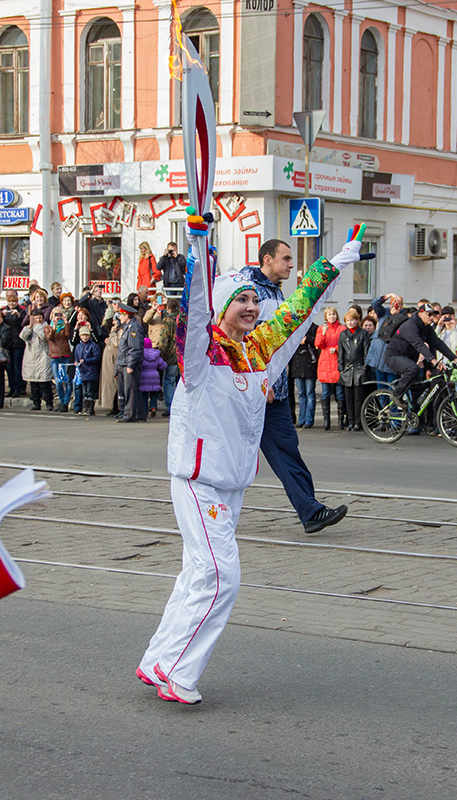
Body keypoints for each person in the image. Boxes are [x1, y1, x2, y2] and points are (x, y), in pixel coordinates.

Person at [137, 214, 362, 705]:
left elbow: (300, 310)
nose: (251, 306)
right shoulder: (200, 354)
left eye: (254, 300)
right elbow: (194, 313)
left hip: (233, 483)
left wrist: (337, 263)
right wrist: (198, 250)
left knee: (199, 574)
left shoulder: (260, 351)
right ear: (220, 307)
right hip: (198, 481)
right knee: (222, 578)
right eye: (240, 299)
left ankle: (158, 660)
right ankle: (178, 674)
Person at [238, 240, 348, 533]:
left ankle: (311, 511)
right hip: (248, 392)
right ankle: (208, 510)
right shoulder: (247, 290)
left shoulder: (275, 291)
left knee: (287, 451)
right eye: (286, 259)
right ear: (267, 259)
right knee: (228, 456)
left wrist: (338, 263)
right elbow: (239, 338)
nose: (290, 264)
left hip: (275, 394)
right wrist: (259, 378)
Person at [385, 304, 457, 408]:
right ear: (420, 313)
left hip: (408, 358)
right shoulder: (409, 325)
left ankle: (414, 417)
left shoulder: (426, 328)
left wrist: (454, 358)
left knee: (420, 387)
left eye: (433, 315)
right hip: (393, 356)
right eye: (429, 314)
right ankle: (396, 394)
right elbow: (419, 344)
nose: (432, 318)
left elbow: (437, 343)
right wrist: (433, 360)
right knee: (413, 368)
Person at [337, 308, 371, 431]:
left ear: (357, 321)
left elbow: (366, 350)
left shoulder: (363, 333)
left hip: (359, 368)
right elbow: (340, 352)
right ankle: (350, 421)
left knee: (358, 398)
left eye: (352, 320)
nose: (350, 322)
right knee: (348, 398)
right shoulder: (343, 334)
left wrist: (365, 366)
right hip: (347, 369)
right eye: (347, 320)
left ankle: (358, 421)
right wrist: (340, 367)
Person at [116, 302, 146, 422]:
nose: (119, 317)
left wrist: (130, 365)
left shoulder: (133, 328)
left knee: (131, 390)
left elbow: (134, 348)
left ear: (126, 315)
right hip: (125, 362)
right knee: (132, 390)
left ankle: (129, 415)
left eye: (121, 315)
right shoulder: (128, 326)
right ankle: (140, 413)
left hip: (129, 364)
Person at [314, 306, 344, 430]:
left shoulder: (342, 329)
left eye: (333, 314)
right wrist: (324, 333)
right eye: (329, 314)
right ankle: (327, 420)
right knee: (325, 393)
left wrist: (336, 349)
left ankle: (341, 420)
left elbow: (344, 344)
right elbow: (318, 344)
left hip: (337, 362)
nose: (332, 316)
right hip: (325, 364)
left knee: (340, 394)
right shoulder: (321, 329)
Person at [20, 308, 55, 411]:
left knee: (44, 383)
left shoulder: (45, 327)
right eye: (35, 318)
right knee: (33, 384)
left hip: (43, 358)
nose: (38, 320)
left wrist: (38, 326)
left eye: (40, 318)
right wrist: (30, 327)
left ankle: (49, 403)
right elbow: (22, 337)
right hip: (31, 358)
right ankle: (36, 403)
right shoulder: (29, 327)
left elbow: (44, 338)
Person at [289, 321, 319, 428]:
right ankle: (301, 419)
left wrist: (307, 339)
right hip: (297, 365)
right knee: (301, 394)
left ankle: (309, 420)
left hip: (310, 365)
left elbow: (318, 342)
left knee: (309, 393)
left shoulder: (315, 328)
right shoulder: (296, 327)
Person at [45, 306, 75, 412]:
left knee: (67, 380)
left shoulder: (65, 326)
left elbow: (67, 335)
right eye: (55, 315)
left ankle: (65, 402)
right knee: (57, 381)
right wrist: (54, 326)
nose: (58, 317)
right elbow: (49, 338)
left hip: (65, 355)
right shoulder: (48, 327)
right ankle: (62, 402)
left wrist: (66, 322)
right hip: (55, 356)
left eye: (59, 314)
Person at [1, 289, 27, 397]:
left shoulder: (21, 310)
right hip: (7, 343)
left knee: (18, 366)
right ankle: (12, 387)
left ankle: (20, 387)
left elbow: (24, 323)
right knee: (9, 367)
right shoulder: (3, 310)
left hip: (18, 342)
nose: (11, 304)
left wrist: (18, 316)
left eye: (13, 302)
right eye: (10, 302)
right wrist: (2, 316)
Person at [73, 325, 101, 415]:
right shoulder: (78, 346)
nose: (85, 337)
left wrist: (86, 361)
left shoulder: (93, 346)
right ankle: (85, 408)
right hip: (83, 371)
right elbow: (76, 357)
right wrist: (76, 362)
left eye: (86, 335)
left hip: (91, 371)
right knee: (84, 391)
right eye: (83, 335)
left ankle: (90, 409)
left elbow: (97, 357)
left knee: (90, 391)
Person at [140, 336, 165, 417]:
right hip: (155, 375)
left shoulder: (141, 354)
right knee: (154, 393)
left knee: (144, 394)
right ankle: (153, 407)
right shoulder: (156, 354)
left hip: (144, 375)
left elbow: (140, 366)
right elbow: (162, 365)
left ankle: (144, 411)